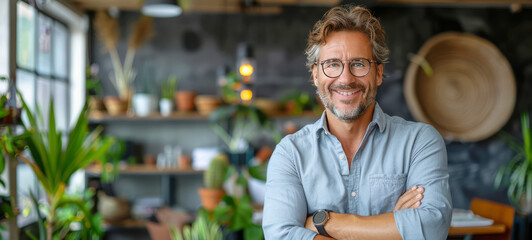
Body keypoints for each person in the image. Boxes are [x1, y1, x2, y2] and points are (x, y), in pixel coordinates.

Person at [262, 4, 452, 240]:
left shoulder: (419, 142)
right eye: (332, 64)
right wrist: (393, 226)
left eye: (359, 64)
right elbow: (281, 235)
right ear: (315, 75)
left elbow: (432, 228)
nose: (345, 78)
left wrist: (325, 223)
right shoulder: (290, 154)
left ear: (379, 73)